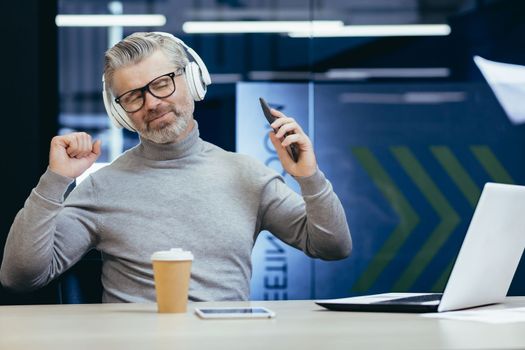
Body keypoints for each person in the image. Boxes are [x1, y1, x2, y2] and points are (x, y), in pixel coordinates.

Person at [0, 32, 351, 303]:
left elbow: (333, 246)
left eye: (162, 83)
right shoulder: (100, 187)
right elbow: (20, 276)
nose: (152, 103)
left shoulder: (247, 174)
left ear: (193, 81)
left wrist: (309, 177)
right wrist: (54, 180)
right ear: (122, 111)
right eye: (134, 96)